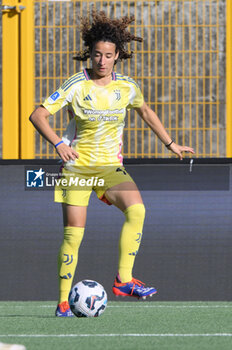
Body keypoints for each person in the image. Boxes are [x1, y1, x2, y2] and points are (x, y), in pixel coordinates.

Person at [30, 10, 195, 317]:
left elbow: (145, 111)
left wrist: (170, 144)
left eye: (108, 55)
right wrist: (58, 143)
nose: (102, 61)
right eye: (96, 55)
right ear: (89, 55)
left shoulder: (127, 87)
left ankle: (124, 279)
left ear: (118, 55)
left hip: (109, 168)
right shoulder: (76, 84)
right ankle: (64, 302)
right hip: (77, 169)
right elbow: (38, 115)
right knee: (73, 236)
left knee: (138, 210)